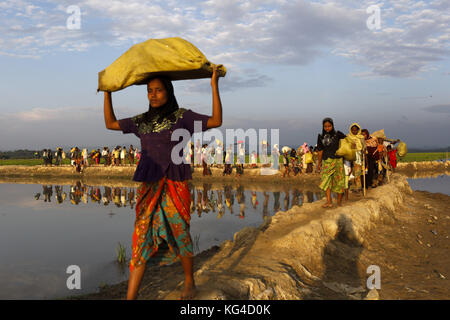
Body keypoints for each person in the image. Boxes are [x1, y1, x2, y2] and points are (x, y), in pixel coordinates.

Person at [103, 67, 222, 300]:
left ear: (169, 92)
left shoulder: (183, 117)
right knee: (142, 235)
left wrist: (213, 85)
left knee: (180, 231)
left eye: (158, 90)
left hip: (175, 184)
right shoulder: (142, 121)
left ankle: (189, 283)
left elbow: (216, 120)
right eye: (149, 91)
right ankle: (130, 297)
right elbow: (110, 123)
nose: (153, 95)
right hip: (149, 186)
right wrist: (108, 93)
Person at [316, 117, 346, 208]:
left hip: (338, 160)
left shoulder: (338, 134)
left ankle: (339, 202)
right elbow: (320, 151)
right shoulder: (320, 137)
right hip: (326, 161)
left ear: (332, 126)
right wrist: (319, 163)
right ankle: (329, 201)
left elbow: (347, 142)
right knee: (326, 180)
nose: (327, 128)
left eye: (329, 126)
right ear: (323, 127)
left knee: (339, 181)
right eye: (325, 126)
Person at [347, 123, 365, 193]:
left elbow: (364, 146)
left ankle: (358, 187)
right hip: (350, 156)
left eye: (355, 130)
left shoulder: (361, 137)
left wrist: (364, 150)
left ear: (358, 130)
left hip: (358, 155)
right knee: (351, 172)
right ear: (351, 130)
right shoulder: (348, 137)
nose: (354, 132)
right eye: (353, 130)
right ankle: (352, 186)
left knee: (357, 171)